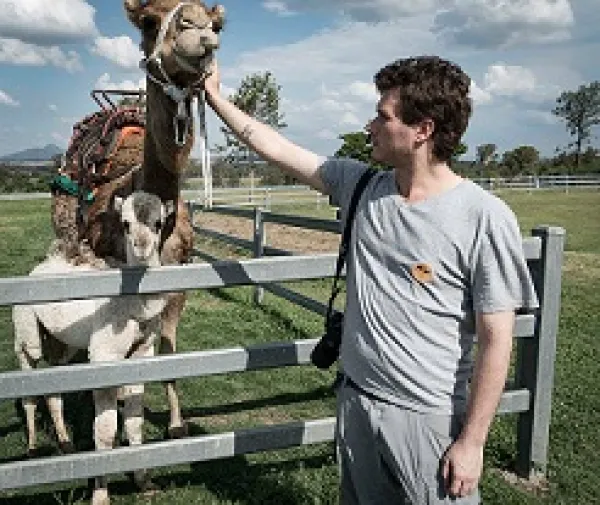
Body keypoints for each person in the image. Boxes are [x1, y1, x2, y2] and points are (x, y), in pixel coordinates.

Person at [203, 55, 538, 504]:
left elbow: (497, 339)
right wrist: (214, 98)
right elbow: (277, 148)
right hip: (356, 401)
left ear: (423, 129)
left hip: (428, 419)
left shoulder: (484, 218)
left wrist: (473, 442)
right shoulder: (360, 186)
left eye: (383, 116)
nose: (370, 126)